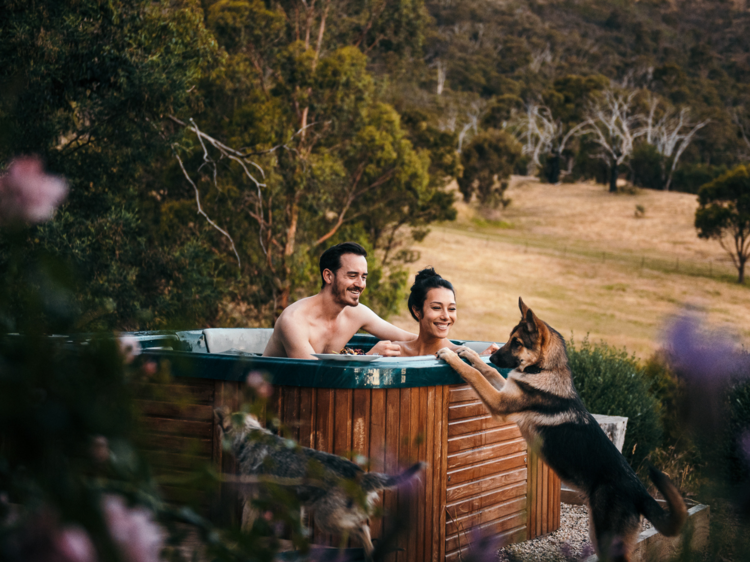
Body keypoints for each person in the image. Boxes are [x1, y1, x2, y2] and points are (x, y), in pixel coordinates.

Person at [263, 242, 416, 359]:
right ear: (328, 276)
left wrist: (440, 349)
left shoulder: (357, 313)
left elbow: (409, 339)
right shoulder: (294, 320)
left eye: (363, 277)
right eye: (352, 276)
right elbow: (313, 377)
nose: (360, 284)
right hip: (271, 397)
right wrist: (369, 356)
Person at [394, 268, 499, 357]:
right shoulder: (395, 352)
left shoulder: (462, 356)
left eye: (452, 308)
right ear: (417, 310)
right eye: (436, 307)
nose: (446, 316)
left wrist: (480, 362)